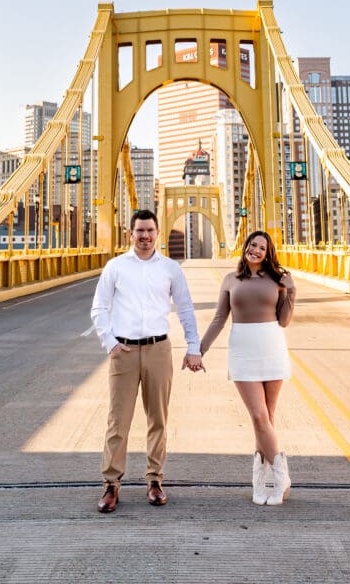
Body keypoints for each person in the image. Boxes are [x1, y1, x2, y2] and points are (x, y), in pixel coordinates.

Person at [91, 209, 203, 513]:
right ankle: (111, 485)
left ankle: (155, 481)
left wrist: (194, 346)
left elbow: (185, 309)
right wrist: (109, 342)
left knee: (158, 420)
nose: (145, 236)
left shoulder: (169, 268)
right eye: (139, 231)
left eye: (150, 230)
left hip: (158, 349)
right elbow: (99, 308)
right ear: (130, 233)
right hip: (123, 352)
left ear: (157, 233)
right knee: (118, 422)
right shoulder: (115, 267)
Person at [200, 229, 296, 505]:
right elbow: (220, 317)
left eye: (262, 248)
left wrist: (291, 291)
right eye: (252, 244)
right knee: (258, 416)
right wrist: (200, 349)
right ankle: (281, 477)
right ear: (245, 246)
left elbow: (285, 320)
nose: (255, 250)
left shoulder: (278, 280)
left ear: (268, 254)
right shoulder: (231, 279)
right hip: (243, 350)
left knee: (267, 419)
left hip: (271, 347)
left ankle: (260, 484)